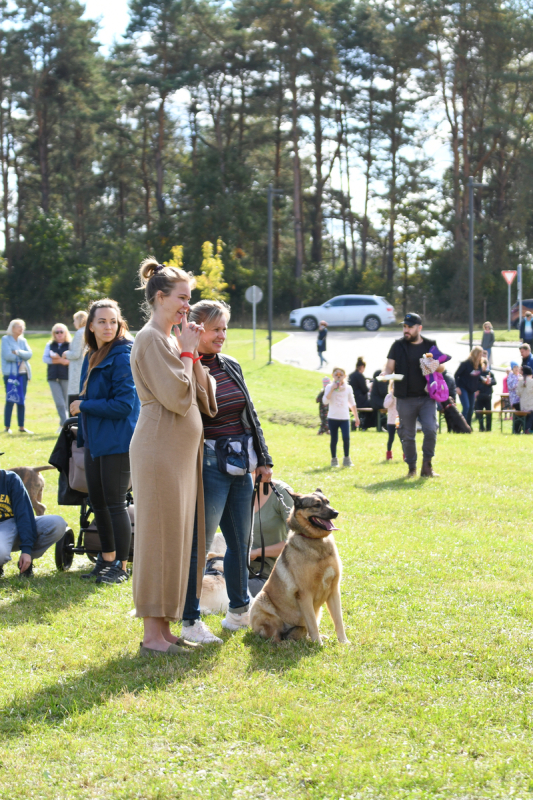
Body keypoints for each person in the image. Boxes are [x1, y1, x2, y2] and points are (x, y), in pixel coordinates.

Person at [130, 263, 217, 655]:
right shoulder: (150, 339)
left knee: (177, 539)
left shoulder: (169, 340)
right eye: (182, 297)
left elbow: (204, 396)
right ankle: (151, 634)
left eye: (190, 297)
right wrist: (186, 350)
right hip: (158, 451)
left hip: (177, 455)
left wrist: (192, 354)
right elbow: (177, 397)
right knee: (158, 538)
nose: (188, 306)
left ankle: (164, 630)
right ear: (159, 297)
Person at [181, 299, 273, 644]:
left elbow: (250, 414)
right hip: (207, 465)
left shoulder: (230, 365)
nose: (221, 336)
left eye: (225, 329)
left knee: (240, 541)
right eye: (215, 329)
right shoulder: (185, 365)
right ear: (196, 329)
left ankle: (238, 612)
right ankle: (190, 620)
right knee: (200, 546)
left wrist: (264, 459)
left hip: (242, 463)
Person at [70, 299, 140, 585]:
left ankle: (122, 566)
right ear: (91, 325)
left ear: (120, 323)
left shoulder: (122, 355)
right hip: (96, 440)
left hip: (119, 440)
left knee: (114, 503)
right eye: (102, 321)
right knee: (97, 502)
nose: (108, 326)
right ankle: (107, 559)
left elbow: (125, 405)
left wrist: (83, 406)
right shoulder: (94, 354)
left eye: (113, 321)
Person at [382, 312, 444, 478]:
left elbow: (442, 368)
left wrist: (434, 364)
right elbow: (389, 367)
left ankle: (427, 466)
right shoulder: (397, 345)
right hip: (404, 398)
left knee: (431, 430)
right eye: (404, 326)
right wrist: (384, 374)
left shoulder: (430, 345)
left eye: (410, 327)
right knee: (407, 435)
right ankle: (411, 468)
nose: (406, 330)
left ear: (419, 328)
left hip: (426, 397)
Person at [0, 463, 67, 577]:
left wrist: (26, 550)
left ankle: (27, 562)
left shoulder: (9, 478)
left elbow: (24, 514)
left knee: (57, 523)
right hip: (3, 533)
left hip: (17, 525)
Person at [249, 476, 294, 597]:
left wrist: (257, 552)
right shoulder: (237, 490)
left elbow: (297, 541)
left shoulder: (282, 493)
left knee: (230, 591)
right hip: (241, 568)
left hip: (272, 574)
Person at [1, 318, 33, 435]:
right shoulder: (5, 339)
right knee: (10, 399)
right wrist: (21, 355)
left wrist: (18, 352)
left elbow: (29, 354)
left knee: (21, 400)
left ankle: (21, 427)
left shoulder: (23, 341)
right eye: (19, 326)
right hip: (10, 374)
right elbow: (7, 355)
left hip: (23, 374)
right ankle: (7, 426)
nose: (21, 328)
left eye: (22, 326)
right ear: (12, 328)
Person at [323, 367, 360, 467]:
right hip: (333, 417)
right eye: (336, 375)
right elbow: (325, 401)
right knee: (334, 439)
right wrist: (332, 389)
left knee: (346, 438)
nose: (338, 377)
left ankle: (347, 459)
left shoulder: (348, 388)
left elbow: (352, 403)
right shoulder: (329, 387)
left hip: (344, 418)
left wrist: (356, 417)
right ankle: (334, 459)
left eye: (341, 375)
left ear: (345, 376)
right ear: (333, 376)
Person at [43, 323, 71, 430]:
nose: (59, 334)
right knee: (59, 403)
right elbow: (45, 359)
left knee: (67, 403)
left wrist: (56, 360)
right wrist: (60, 360)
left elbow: (70, 361)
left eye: (61, 332)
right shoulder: (49, 345)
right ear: (53, 334)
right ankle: (65, 426)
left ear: (65, 333)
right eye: (56, 332)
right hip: (53, 377)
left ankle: (62, 424)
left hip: (66, 376)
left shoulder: (70, 345)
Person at [455, 345, 484, 429]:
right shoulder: (466, 363)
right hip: (463, 387)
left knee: (471, 408)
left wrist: (484, 380)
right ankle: (461, 426)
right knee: (466, 407)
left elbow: (478, 376)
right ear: (475, 354)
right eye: (480, 354)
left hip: (472, 389)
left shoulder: (479, 364)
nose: (481, 357)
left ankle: (468, 427)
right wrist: (457, 387)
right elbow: (456, 375)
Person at [65, 310, 88, 408]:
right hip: (85, 367)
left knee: (74, 398)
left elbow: (76, 354)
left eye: (75, 320)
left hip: (77, 369)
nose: (74, 323)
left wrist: (66, 353)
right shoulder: (88, 331)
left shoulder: (80, 333)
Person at [348, 357, 371, 429]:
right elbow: (364, 389)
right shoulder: (360, 376)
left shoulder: (351, 375)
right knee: (372, 405)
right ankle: (365, 424)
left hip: (352, 400)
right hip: (359, 400)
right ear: (362, 367)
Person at [475, 357, 496, 432]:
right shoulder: (478, 373)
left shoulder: (490, 373)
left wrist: (489, 382)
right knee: (480, 412)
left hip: (487, 395)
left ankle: (488, 428)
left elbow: (494, 382)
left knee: (488, 412)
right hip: (480, 395)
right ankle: (481, 427)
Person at [383, 380, 398, 460]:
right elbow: (386, 405)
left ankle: (405, 454)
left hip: (399, 420)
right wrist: (392, 397)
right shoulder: (389, 396)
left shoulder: (401, 397)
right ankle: (389, 453)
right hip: (391, 421)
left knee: (403, 438)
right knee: (391, 438)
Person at [517, 365, 533, 433]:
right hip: (530, 406)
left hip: (522, 406)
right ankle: (528, 428)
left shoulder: (520, 381)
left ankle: (522, 428)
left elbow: (518, 393)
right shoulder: (532, 382)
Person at [507, 362, 522, 433]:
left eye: (517, 367)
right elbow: (510, 387)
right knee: (518, 414)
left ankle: (518, 429)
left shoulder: (520, 376)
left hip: (521, 399)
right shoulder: (511, 376)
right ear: (512, 369)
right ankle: (516, 430)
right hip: (515, 400)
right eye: (515, 367)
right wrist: (517, 381)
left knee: (521, 414)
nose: (516, 369)